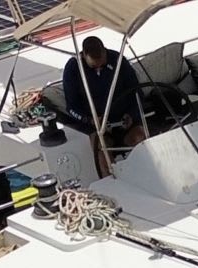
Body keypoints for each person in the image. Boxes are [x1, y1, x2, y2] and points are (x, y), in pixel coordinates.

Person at [63, 35, 147, 177]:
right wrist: (90, 120)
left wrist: (132, 115)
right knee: (103, 152)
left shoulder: (118, 60)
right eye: (94, 67)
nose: (99, 68)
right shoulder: (73, 69)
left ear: (105, 51)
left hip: (125, 120)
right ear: (83, 56)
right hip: (97, 127)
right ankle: (113, 185)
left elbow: (137, 92)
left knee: (142, 140)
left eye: (102, 64)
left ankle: (148, 176)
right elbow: (71, 107)